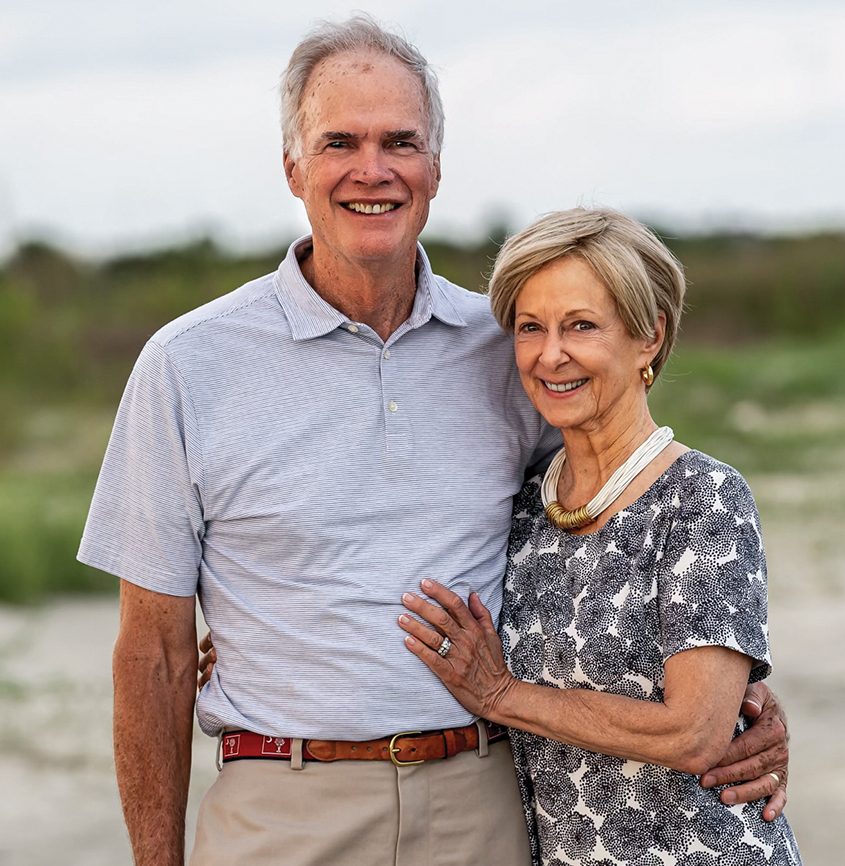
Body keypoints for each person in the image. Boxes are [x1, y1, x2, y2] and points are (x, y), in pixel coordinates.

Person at [78, 16, 789, 866]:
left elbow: (611, 527)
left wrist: (739, 707)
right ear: (292, 167)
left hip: (484, 802)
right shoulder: (186, 365)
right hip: (282, 807)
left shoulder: (508, 350)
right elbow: (152, 654)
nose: (371, 170)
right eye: (339, 141)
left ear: (436, 170)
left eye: (400, 142)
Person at [397, 207, 801, 864]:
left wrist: (503, 695)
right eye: (531, 328)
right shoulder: (526, 504)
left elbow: (696, 732)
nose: (550, 354)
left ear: (648, 337)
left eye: (581, 326)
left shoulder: (702, 497)